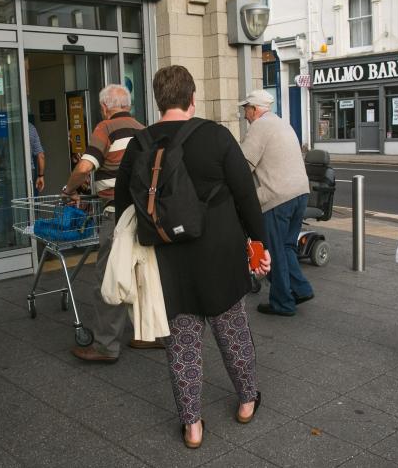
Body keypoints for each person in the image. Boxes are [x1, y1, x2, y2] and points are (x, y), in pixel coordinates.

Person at [114, 66, 271, 448]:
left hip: (166, 262)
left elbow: (124, 205)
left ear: (158, 100)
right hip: (220, 253)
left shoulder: (140, 144)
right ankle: (247, 400)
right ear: (192, 97)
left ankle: (192, 425)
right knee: (232, 331)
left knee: (182, 344)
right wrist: (258, 244)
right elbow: (245, 196)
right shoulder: (216, 136)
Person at [62, 84, 148, 363]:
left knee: (110, 277)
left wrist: (69, 190)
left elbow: (86, 166)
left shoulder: (105, 128)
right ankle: (148, 334)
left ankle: (105, 346)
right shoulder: (142, 128)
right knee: (141, 275)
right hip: (144, 214)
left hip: (118, 214)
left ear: (104, 107)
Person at [239, 89, 314, 317]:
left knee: (274, 250)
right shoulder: (282, 123)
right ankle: (300, 289)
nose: (244, 115)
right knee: (288, 246)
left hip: (277, 197)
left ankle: (282, 302)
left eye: (246, 109)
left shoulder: (259, 127)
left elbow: (243, 165)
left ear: (254, 109)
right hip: (300, 193)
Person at [27, 119, 46, 193]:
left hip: (8, 172)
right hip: (28, 171)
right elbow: (41, 155)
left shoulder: (6, 127)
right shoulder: (30, 127)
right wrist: (41, 176)